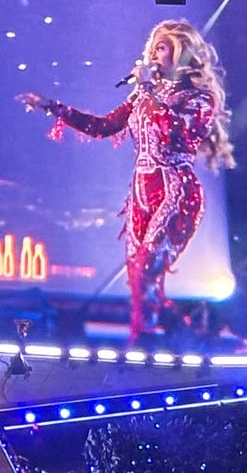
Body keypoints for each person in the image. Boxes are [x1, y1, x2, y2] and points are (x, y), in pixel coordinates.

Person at [19, 18, 234, 343]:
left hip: (176, 192)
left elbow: (173, 131)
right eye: (154, 48)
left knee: (147, 266)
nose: (155, 54)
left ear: (182, 54)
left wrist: (147, 89)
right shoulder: (143, 96)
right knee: (138, 276)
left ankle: (154, 337)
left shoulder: (199, 98)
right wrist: (52, 107)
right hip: (141, 193)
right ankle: (167, 334)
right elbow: (102, 126)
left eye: (163, 48)